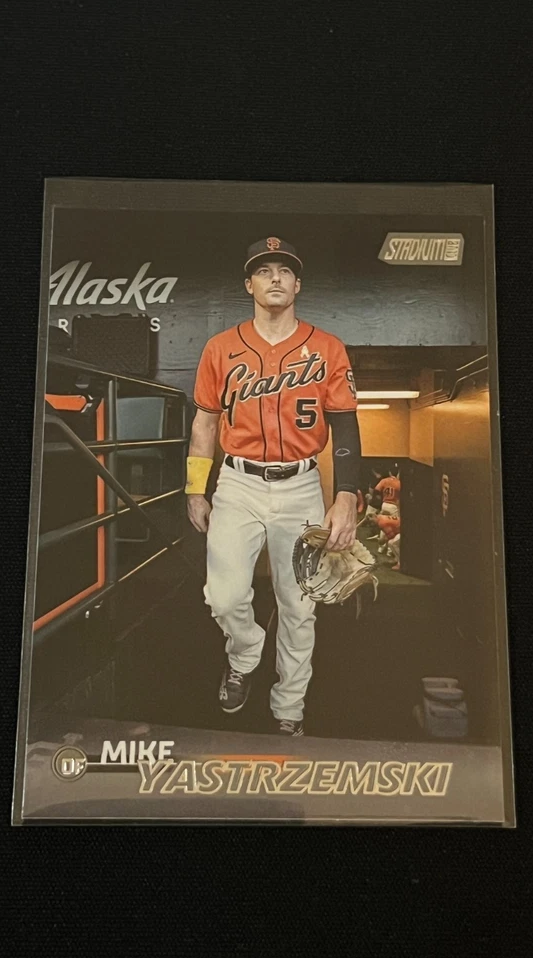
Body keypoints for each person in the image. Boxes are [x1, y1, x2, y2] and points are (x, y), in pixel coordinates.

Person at [185, 237, 361, 736]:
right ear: (249, 284)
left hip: (301, 485)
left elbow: (345, 425)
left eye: (284, 270)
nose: (275, 277)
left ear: (297, 284)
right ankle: (245, 652)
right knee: (223, 597)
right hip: (237, 483)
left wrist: (346, 494)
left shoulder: (327, 348)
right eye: (264, 271)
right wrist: (195, 489)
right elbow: (204, 423)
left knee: (299, 606)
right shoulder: (220, 348)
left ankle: (289, 709)